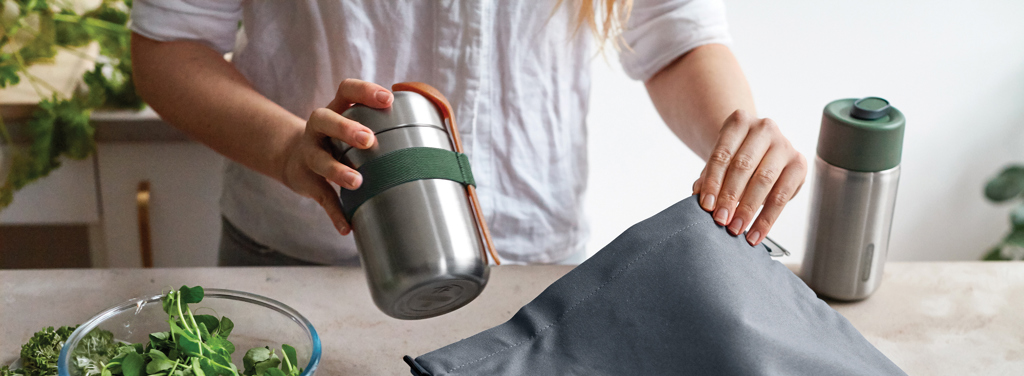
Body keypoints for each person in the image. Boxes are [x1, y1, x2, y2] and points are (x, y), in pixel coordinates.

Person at [129, 0, 806, 266]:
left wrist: (735, 135)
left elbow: (675, 38)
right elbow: (169, 42)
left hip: (528, 267)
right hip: (302, 257)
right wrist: (285, 148)